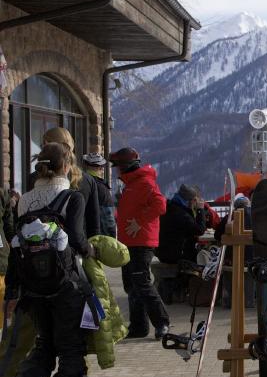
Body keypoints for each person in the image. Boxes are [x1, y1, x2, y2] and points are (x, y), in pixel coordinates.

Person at [0, 142, 98, 377]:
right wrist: (91, 250)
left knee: (44, 346)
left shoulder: (25, 200)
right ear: (66, 166)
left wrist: (13, 292)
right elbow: (79, 240)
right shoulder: (72, 197)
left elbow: (18, 246)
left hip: (34, 289)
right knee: (71, 348)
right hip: (66, 286)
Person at [110, 147, 169, 339]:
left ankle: (161, 323)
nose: (116, 170)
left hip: (141, 241)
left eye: (118, 166)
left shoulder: (144, 182)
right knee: (131, 285)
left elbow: (160, 204)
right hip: (129, 241)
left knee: (141, 282)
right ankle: (139, 327)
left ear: (126, 166)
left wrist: (139, 221)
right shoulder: (131, 184)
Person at [28, 128, 100, 239]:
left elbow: (28, 217)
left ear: (48, 146)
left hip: (42, 245)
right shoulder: (88, 180)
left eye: (43, 145)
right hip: (78, 246)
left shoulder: (35, 178)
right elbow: (93, 223)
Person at [81, 153, 116, 238]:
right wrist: (112, 236)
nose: (102, 169)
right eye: (102, 167)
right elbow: (108, 218)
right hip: (100, 235)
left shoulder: (82, 182)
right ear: (100, 167)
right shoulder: (101, 187)